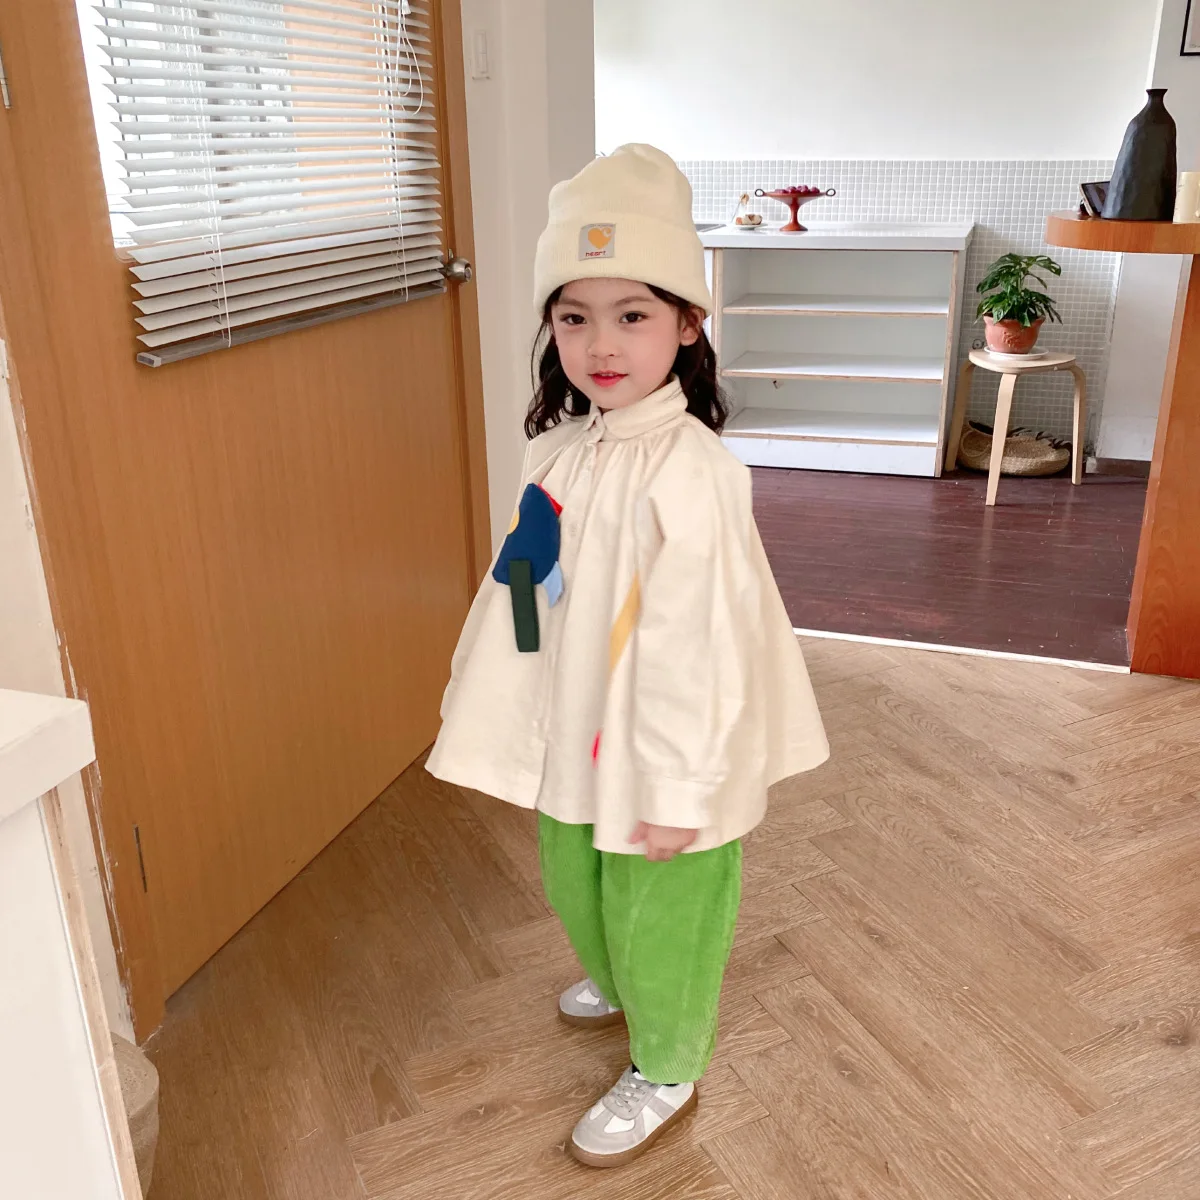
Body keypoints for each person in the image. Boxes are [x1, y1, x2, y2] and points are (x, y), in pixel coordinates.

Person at [427, 143, 828, 1169]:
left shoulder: (695, 476)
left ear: (688, 324)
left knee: (664, 906)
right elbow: (523, 589)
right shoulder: (564, 450)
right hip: (581, 726)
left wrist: (683, 783)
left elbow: (701, 646)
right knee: (577, 875)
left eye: (633, 315)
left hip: (671, 747)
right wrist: (490, 698)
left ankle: (668, 1060)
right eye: (574, 317)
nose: (600, 344)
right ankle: (616, 981)